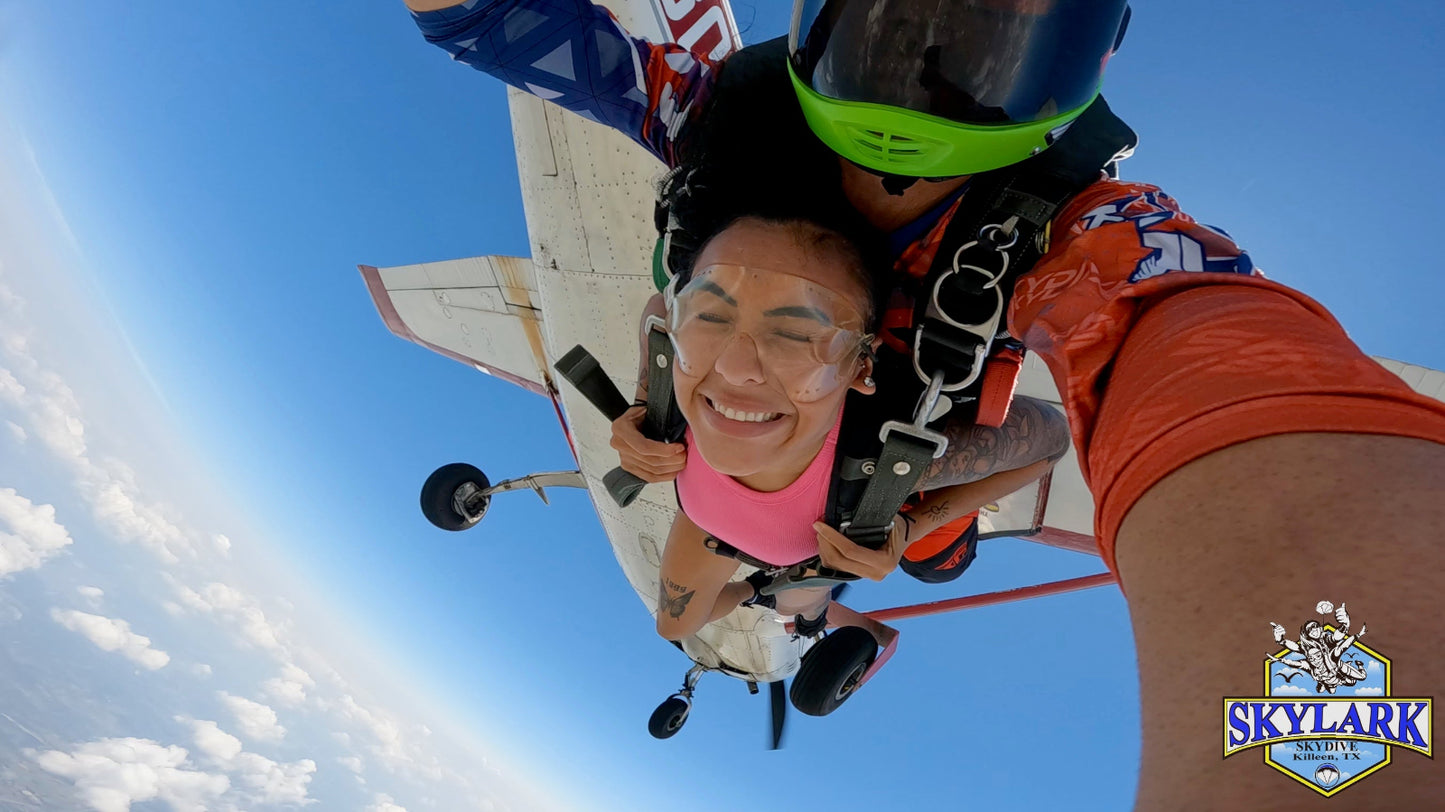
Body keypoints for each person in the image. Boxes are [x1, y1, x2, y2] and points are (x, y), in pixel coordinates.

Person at [401, 1, 1445, 805]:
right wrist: (661, 407)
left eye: (989, 35)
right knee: (879, 559)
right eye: (895, 16)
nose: (928, 59)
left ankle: (896, 551)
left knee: (919, 549)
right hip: (787, 482)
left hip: (844, 464)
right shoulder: (720, 122)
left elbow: (1214, 348)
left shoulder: (1078, 225)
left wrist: (914, 507)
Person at [649, 202, 1069, 642]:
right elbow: (663, 309)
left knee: (679, 623)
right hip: (714, 524)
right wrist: (645, 402)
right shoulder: (690, 376)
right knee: (675, 624)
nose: (735, 368)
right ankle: (770, 593)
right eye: (711, 317)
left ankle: (777, 592)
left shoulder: (872, 467)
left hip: (756, 520)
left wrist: (913, 527)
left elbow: (1051, 442)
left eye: (794, 336)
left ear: (860, 367)